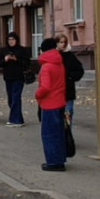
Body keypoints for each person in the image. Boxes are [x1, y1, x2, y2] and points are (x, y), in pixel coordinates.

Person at [35, 37, 67, 171]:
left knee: (49, 134)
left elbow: (46, 87)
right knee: (59, 133)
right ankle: (60, 160)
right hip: (60, 102)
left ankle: (53, 162)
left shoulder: (46, 67)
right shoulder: (59, 63)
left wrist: (37, 94)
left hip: (49, 104)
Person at [0, 31, 31, 127]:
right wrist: (5, 60)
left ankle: (14, 120)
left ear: (16, 40)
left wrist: (16, 60)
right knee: (11, 99)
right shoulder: (4, 50)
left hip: (19, 77)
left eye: (13, 39)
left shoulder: (21, 50)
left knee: (16, 97)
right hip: (8, 77)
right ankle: (19, 119)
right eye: (9, 40)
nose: (11, 41)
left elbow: (27, 63)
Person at [55, 33, 85, 121]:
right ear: (56, 43)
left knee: (67, 115)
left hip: (68, 91)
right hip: (56, 91)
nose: (63, 44)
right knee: (57, 117)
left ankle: (67, 134)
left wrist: (70, 77)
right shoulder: (53, 55)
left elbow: (80, 70)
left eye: (64, 42)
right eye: (60, 42)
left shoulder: (70, 56)